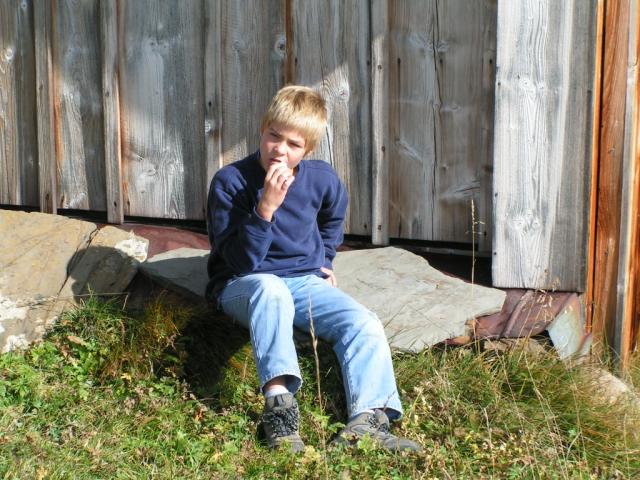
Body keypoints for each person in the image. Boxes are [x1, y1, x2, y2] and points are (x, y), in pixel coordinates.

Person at [205, 85, 421, 453]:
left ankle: (368, 421)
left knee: (363, 322)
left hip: (303, 281)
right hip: (243, 284)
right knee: (270, 289)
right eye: (274, 136)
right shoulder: (231, 182)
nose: (280, 149)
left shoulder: (320, 178)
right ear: (262, 128)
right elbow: (240, 262)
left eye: (294, 144)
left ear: (308, 149)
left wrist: (324, 260)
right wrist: (266, 208)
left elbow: (333, 215)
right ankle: (280, 411)